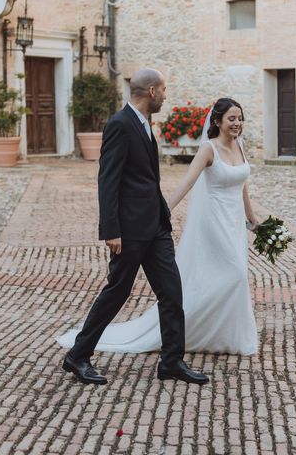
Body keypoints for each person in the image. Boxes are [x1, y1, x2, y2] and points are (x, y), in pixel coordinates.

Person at [58, 97, 259, 357]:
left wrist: (252, 218)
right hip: (213, 223)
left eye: (240, 118)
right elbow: (186, 183)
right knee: (234, 275)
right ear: (217, 121)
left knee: (196, 287)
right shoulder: (208, 149)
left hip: (233, 225)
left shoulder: (239, 145)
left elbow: (242, 183)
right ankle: (83, 351)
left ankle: (209, 341)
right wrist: (164, 211)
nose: (237, 123)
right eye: (232, 118)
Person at [59, 68, 208, 386]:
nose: (167, 96)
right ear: (152, 91)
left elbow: (145, 179)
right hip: (128, 230)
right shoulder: (120, 124)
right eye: (164, 90)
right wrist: (111, 230)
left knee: (171, 293)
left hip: (156, 226)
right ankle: (78, 356)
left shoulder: (144, 124)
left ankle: (171, 361)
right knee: (117, 292)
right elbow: (108, 179)